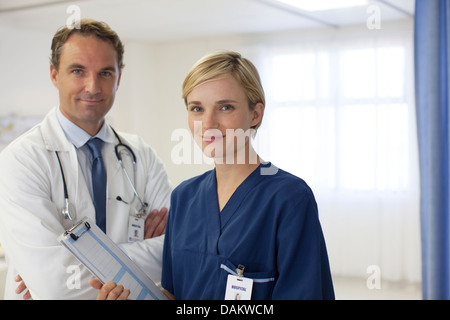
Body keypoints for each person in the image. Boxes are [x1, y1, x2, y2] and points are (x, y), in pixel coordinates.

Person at [92, 51, 334, 300]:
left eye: (225, 107)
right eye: (197, 108)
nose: (208, 123)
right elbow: (175, 293)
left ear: (255, 113)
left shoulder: (289, 199)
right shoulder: (184, 197)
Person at [0, 19, 172, 300]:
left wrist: (74, 264)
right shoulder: (20, 161)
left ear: (118, 78)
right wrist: (142, 257)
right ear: (55, 75)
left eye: (105, 73)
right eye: (78, 71)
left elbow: (175, 254)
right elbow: (55, 285)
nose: (92, 87)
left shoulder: (141, 155)